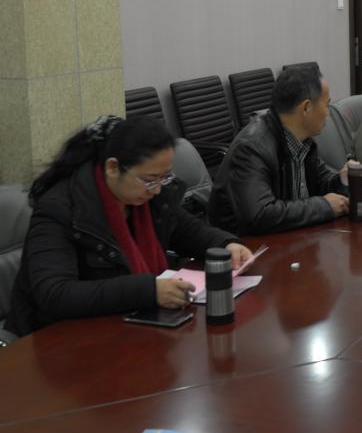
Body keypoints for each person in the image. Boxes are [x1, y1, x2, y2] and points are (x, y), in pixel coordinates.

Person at [7, 116, 253, 336]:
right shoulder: (60, 210)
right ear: (113, 168)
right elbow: (56, 294)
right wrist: (149, 291)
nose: (157, 189)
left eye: (165, 177)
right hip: (61, 342)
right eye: (149, 180)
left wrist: (226, 244)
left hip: (129, 327)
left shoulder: (147, 199)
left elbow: (192, 232)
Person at [208, 66, 349, 235]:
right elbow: (260, 215)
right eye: (326, 105)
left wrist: (343, 180)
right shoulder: (252, 148)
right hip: (246, 244)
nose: (328, 113)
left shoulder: (302, 140)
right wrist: (324, 207)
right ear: (306, 108)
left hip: (291, 237)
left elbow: (322, 183)